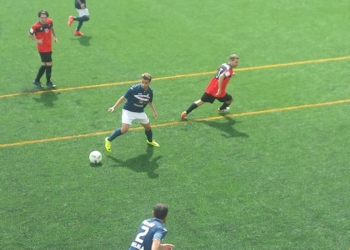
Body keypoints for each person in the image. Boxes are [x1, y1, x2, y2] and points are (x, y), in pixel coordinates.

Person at [105, 73, 160, 152]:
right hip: (128, 111)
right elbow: (123, 97)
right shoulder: (134, 89)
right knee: (125, 129)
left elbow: (149, 102)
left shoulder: (150, 91)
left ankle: (150, 141)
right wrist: (114, 107)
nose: (144, 84)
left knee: (148, 127)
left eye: (146, 83)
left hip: (140, 112)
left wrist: (154, 111)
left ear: (149, 83)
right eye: (142, 82)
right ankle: (108, 140)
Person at [181, 54, 240, 119]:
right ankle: (221, 109)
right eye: (235, 62)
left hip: (211, 87)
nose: (237, 64)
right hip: (218, 90)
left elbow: (219, 68)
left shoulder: (224, 64)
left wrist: (231, 73)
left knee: (200, 101)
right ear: (231, 61)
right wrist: (219, 89)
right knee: (230, 99)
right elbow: (221, 76)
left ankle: (185, 112)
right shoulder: (229, 70)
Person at [29, 10, 57, 89]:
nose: (43, 19)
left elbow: (51, 28)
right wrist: (37, 40)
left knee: (44, 64)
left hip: (49, 46)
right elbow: (29, 34)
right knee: (49, 64)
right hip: (42, 49)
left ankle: (36, 80)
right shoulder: (35, 26)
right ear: (39, 17)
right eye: (42, 17)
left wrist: (55, 37)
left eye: (45, 17)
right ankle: (48, 82)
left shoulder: (50, 21)